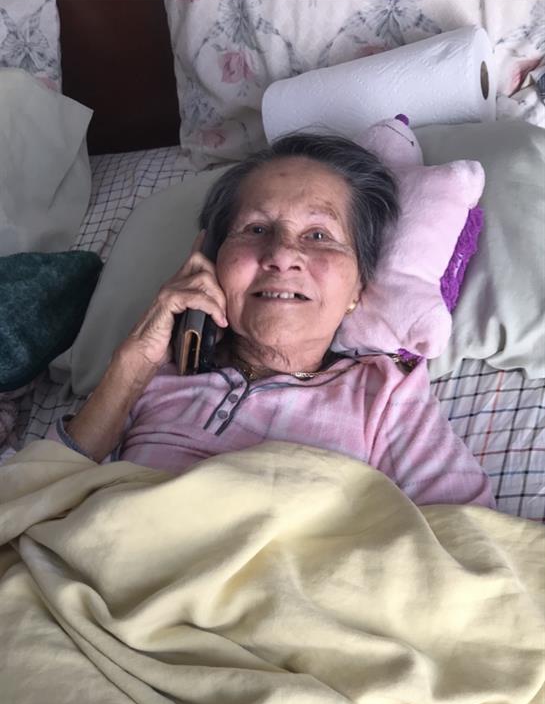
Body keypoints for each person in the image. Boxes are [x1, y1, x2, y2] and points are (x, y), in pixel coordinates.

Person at [49, 133, 494, 509]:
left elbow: (475, 543)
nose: (282, 255)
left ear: (358, 289)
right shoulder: (153, 373)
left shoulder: (384, 394)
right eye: (256, 229)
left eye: (319, 236)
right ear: (209, 259)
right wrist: (131, 365)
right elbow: (36, 500)